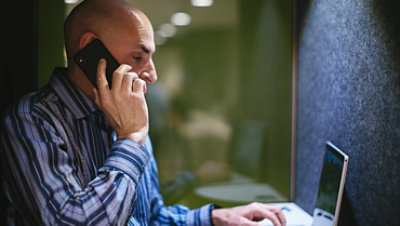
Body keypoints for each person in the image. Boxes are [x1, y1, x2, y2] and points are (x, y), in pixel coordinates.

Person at [0, 0, 286, 225]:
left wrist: (216, 218)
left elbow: (150, 218)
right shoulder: (32, 120)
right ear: (90, 50)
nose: (152, 75)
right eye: (138, 57)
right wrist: (130, 139)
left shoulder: (129, 120)